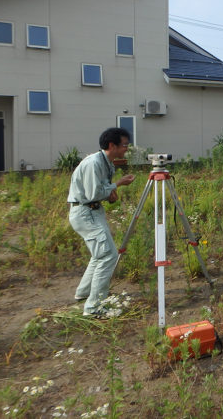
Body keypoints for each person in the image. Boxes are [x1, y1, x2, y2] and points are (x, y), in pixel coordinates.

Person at [67, 128, 135, 318]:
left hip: (94, 211)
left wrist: (111, 194)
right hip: (84, 212)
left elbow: (103, 191)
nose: (126, 150)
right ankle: (94, 307)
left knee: (100, 255)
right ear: (112, 145)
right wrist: (118, 184)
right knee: (108, 255)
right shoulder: (93, 163)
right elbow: (92, 193)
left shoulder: (107, 164)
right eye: (124, 146)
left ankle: (83, 293)